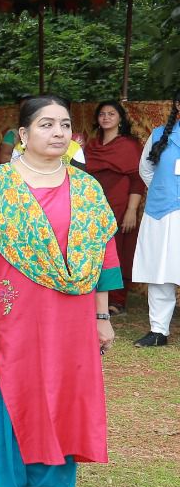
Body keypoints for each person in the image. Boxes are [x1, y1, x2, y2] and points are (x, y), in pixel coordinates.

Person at [0, 96, 119, 487]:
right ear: (23, 135)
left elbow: (103, 254)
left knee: (67, 393)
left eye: (64, 124)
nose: (58, 132)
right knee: (15, 394)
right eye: (46, 124)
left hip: (73, 313)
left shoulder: (87, 189)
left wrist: (102, 317)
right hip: (15, 313)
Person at [81, 101, 144, 315]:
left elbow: (137, 180)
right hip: (92, 205)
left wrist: (131, 210)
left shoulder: (129, 145)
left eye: (111, 114)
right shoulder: (91, 145)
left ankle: (117, 300)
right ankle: (91, 296)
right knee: (92, 249)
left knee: (117, 250)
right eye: (102, 114)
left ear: (120, 119)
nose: (106, 117)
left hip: (120, 205)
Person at [133, 89, 180, 348]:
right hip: (163, 211)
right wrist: (165, 191)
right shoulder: (160, 134)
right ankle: (159, 331)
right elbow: (146, 169)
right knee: (160, 271)